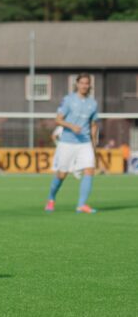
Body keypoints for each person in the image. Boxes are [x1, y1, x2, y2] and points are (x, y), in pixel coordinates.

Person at [45, 73, 99, 213]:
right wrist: (71, 126)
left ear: (90, 85)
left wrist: (94, 145)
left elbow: (93, 125)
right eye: (82, 83)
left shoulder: (93, 103)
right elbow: (58, 119)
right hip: (68, 142)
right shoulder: (68, 100)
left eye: (87, 83)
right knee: (62, 174)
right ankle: (51, 198)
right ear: (77, 84)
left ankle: (81, 205)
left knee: (90, 169)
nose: (84, 86)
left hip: (85, 142)